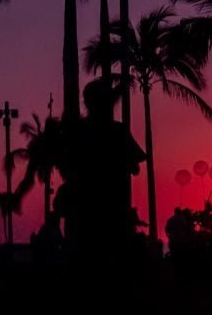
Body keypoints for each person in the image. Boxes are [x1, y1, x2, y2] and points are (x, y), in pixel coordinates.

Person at [57, 79, 146, 265]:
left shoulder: (76, 131)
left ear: (87, 102)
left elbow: (66, 167)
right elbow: (135, 167)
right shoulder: (118, 130)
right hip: (112, 214)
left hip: (82, 215)